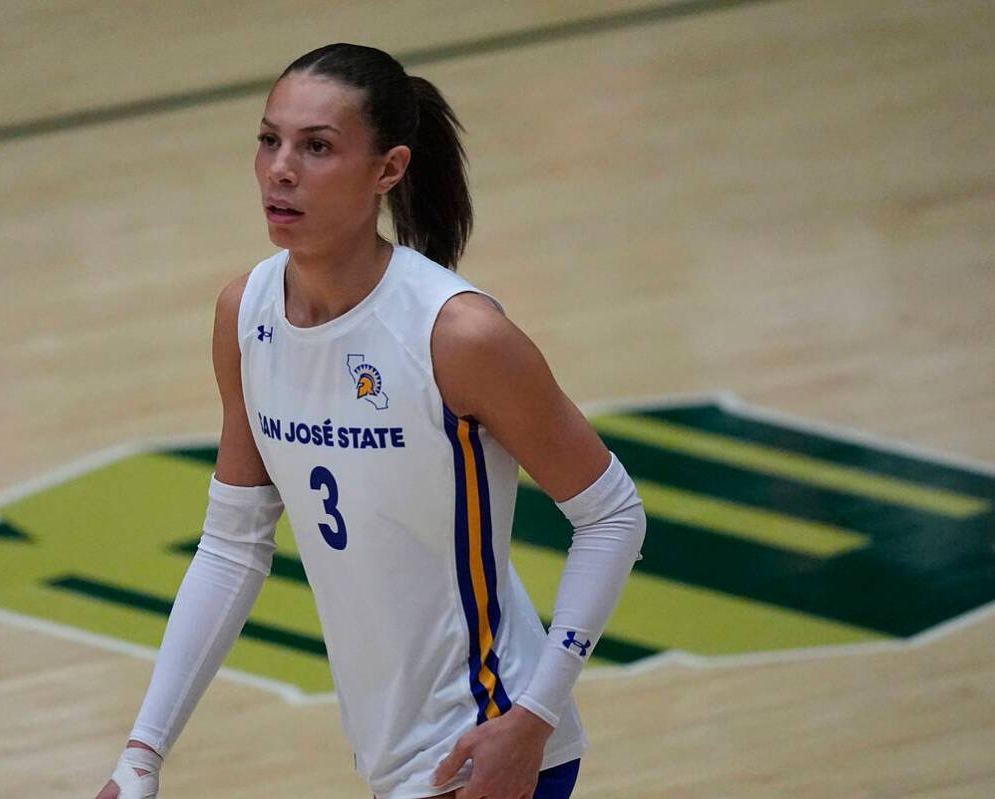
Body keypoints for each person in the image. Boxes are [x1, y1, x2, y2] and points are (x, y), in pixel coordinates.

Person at [96, 42, 645, 799]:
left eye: (316, 147)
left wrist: (535, 715)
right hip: (386, 753)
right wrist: (142, 754)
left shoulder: (457, 335)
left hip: (484, 745)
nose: (280, 169)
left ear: (387, 169)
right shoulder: (244, 313)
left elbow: (612, 514)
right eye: (268, 140)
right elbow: (230, 546)